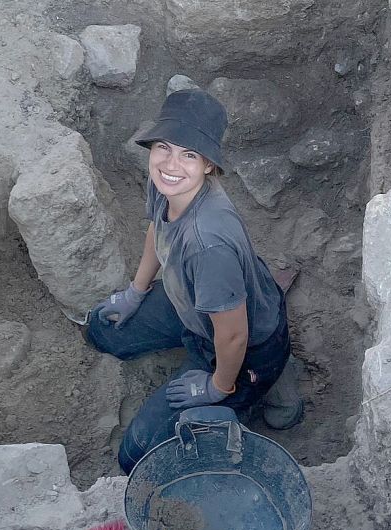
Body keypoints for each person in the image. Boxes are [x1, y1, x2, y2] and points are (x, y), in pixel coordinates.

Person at [84, 88, 296, 475]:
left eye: (189, 154)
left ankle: (265, 383)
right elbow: (157, 231)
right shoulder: (167, 184)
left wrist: (217, 386)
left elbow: (233, 337)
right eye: (164, 147)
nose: (171, 163)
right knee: (101, 329)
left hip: (245, 346)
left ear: (209, 166)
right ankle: (231, 372)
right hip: (196, 305)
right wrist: (136, 292)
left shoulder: (207, 243)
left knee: (137, 456)